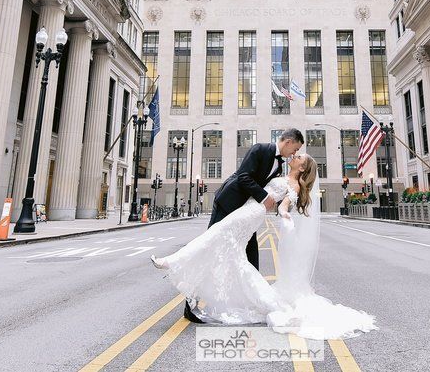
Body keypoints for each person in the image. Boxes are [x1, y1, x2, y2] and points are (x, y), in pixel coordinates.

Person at [151, 153, 376, 340]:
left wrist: (285, 214)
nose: (295, 156)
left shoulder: (294, 185)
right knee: (235, 257)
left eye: (300, 157)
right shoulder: (282, 175)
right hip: (247, 210)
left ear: (302, 168)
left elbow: (284, 206)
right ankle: (266, 301)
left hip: (251, 214)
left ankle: (170, 261)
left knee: (214, 236)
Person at [169, 129, 304, 323]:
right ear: (289, 141)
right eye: (295, 148)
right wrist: (264, 198)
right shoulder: (260, 149)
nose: (294, 153)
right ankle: (190, 305)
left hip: (245, 215)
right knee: (210, 250)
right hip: (227, 204)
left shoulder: (279, 164)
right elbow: (243, 177)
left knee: (251, 255)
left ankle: (256, 302)